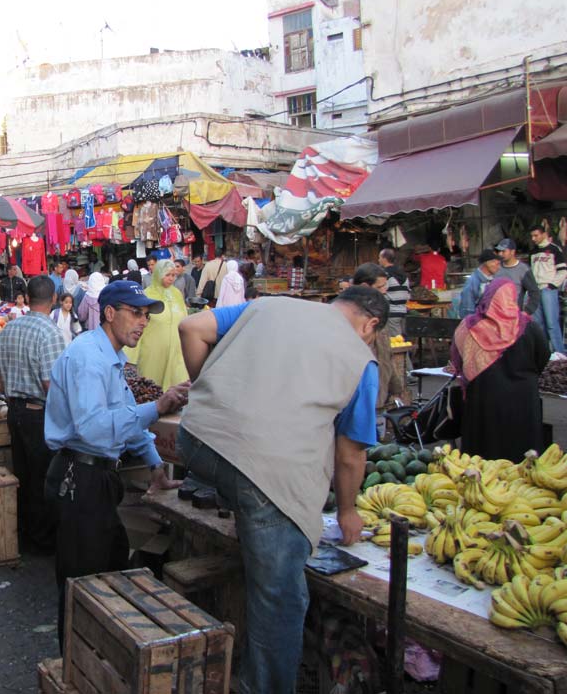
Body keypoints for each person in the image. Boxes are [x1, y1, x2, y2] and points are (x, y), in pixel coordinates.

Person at [176, 286, 385, 694]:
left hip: (197, 443)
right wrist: (347, 511)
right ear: (370, 324)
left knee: (247, 492)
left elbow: (191, 327)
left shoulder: (268, 306)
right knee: (281, 598)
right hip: (264, 470)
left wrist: (214, 394)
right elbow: (349, 455)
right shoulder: (361, 359)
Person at [44, 280, 190, 649]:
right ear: (110, 314)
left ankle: (98, 659)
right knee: (81, 584)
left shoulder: (111, 357)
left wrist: (155, 465)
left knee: (109, 571)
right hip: (79, 478)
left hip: (98, 478)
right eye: (135, 313)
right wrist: (158, 407)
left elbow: (124, 413)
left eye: (146, 315)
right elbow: (94, 428)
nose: (143, 322)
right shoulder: (89, 359)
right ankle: (74, 666)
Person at [0, 276, 65, 553]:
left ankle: (26, 533)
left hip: (15, 410)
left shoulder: (12, 326)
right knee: (43, 477)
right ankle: (40, 541)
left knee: (24, 473)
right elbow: (49, 384)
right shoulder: (50, 332)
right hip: (37, 413)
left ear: (27, 298)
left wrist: (6, 390)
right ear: (53, 299)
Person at [452, 279, 549, 459]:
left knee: (483, 457)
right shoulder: (528, 326)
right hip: (523, 400)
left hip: (483, 400)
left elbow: (458, 359)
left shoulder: (468, 327)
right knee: (523, 457)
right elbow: (543, 356)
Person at [352, 263, 405, 427]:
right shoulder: (352, 315)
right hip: (357, 397)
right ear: (364, 286)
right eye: (380, 286)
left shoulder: (379, 311)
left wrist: (396, 390)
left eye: (385, 285)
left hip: (379, 396)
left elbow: (386, 354)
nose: (384, 290)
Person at [126, 260, 190, 389]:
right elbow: (136, 324)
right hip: (153, 350)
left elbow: (185, 319)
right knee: (152, 387)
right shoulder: (147, 295)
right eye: (167, 275)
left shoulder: (177, 294)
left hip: (176, 349)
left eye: (173, 275)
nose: (171, 279)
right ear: (158, 274)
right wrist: (130, 355)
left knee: (177, 386)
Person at [529, 224, 567, 354]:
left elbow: (563, 271)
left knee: (551, 323)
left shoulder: (554, 249)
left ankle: (560, 354)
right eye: (532, 236)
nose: (533, 238)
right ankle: (545, 353)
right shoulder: (533, 252)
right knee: (539, 324)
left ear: (543, 234)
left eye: (536, 235)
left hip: (548, 289)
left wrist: (552, 285)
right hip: (535, 290)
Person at [495, 238, 540, 315]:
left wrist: (527, 311)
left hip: (514, 315)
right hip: (496, 313)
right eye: (499, 251)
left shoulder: (523, 269)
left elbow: (534, 292)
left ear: (512, 252)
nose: (500, 254)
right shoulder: (496, 267)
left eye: (503, 251)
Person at [456, 250, 502, 319]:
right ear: (488, 263)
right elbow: (467, 312)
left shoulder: (492, 280)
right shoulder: (472, 283)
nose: (499, 267)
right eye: (497, 264)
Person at [378, 248, 411, 338]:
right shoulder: (404, 275)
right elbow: (408, 295)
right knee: (403, 339)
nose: (378, 260)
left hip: (391, 313)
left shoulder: (385, 275)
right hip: (403, 312)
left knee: (395, 341)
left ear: (384, 259)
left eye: (379, 257)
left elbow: (380, 292)